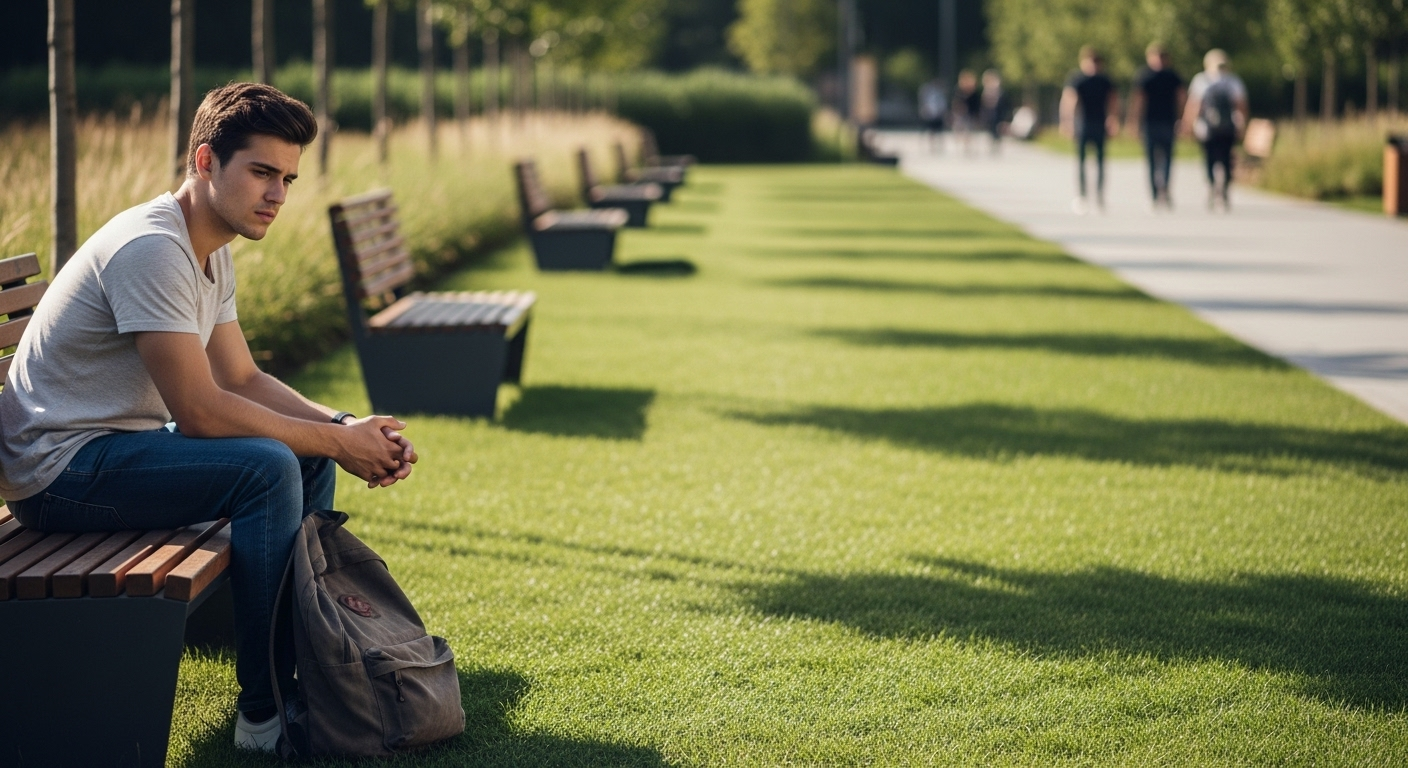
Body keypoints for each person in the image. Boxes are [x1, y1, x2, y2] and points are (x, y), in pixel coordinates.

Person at [0, 83, 417, 751]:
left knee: (298, 452)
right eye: (261, 172)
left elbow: (241, 376)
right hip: (58, 472)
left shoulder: (208, 245)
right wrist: (338, 442)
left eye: (287, 177)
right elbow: (198, 411)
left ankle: (295, 669)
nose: (277, 194)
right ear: (204, 162)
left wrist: (341, 427)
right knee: (266, 466)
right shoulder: (152, 248)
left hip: (112, 448)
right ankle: (264, 711)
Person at [1182, 48, 1249, 211]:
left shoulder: (1202, 80)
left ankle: (1212, 186)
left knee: (1209, 159)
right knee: (1226, 159)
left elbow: (1194, 105)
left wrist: (1188, 124)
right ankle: (1224, 189)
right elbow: (1241, 105)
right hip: (1228, 127)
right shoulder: (1233, 81)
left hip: (1207, 128)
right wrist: (1242, 125)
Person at [1061, 47, 1120, 213]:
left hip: (1100, 124)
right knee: (1081, 161)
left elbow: (1113, 101)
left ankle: (1100, 194)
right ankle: (1082, 195)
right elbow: (1069, 100)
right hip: (1083, 124)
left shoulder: (1105, 80)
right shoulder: (1077, 79)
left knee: (1101, 162)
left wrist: (1113, 119)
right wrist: (1068, 122)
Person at [1129, 42, 1186, 209]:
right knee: (1152, 161)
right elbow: (1139, 101)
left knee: (1168, 159)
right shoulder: (1145, 76)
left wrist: (1182, 120)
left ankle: (1165, 190)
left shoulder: (1173, 76)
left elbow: (1181, 99)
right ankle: (1155, 193)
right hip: (1150, 122)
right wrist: (1134, 122)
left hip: (1168, 122)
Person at [978, 69, 1011, 154]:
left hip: (998, 114)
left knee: (997, 130)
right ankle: (993, 142)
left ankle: (997, 142)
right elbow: (983, 105)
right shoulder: (986, 91)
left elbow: (1005, 105)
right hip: (989, 114)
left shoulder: (1000, 92)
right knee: (991, 129)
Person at [953, 69, 981, 155]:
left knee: (969, 130)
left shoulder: (974, 92)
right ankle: (963, 143)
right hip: (961, 113)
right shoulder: (959, 91)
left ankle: (967, 146)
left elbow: (977, 104)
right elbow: (956, 102)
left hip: (970, 114)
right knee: (960, 129)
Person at [917, 78, 949, 152]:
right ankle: (932, 146)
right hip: (931, 114)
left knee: (939, 131)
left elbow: (943, 104)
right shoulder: (930, 93)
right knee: (931, 131)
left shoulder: (940, 94)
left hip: (939, 115)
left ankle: (939, 146)